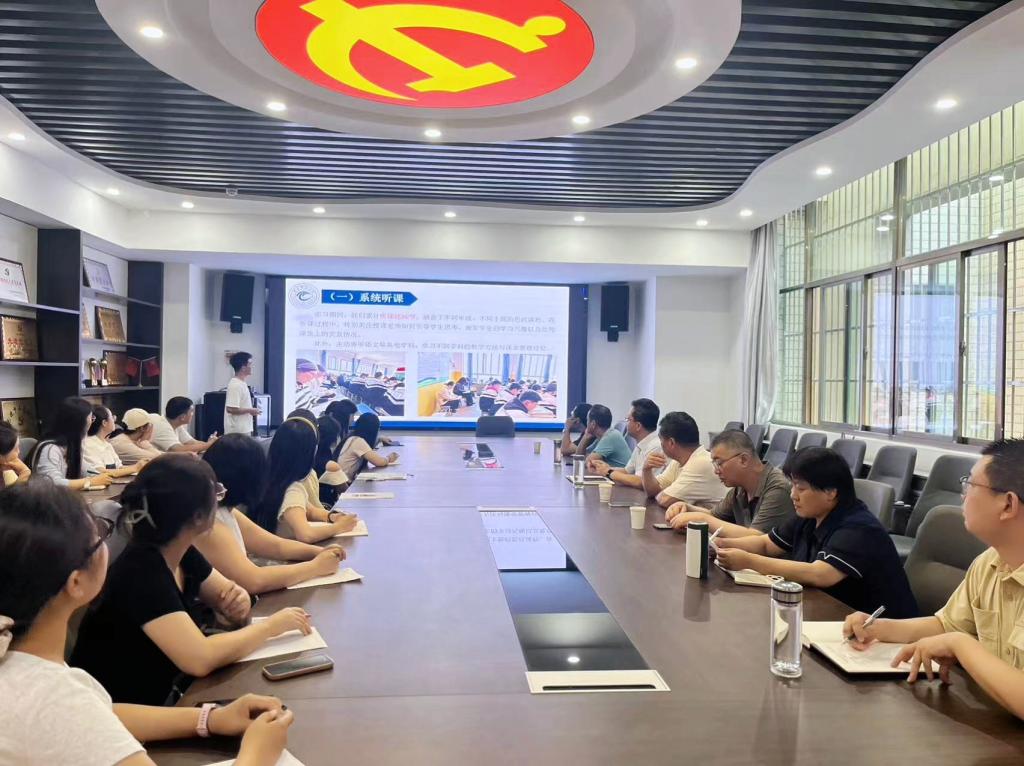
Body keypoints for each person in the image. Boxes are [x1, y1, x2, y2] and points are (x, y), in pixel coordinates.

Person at [0, 481, 294, 765]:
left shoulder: (21, 664)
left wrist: (209, 718)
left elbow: (99, 713)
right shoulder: (52, 694)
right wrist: (256, 755)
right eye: (99, 537)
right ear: (75, 583)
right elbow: (74, 713)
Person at [70, 455, 315, 705]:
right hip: (127, 711)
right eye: (215, 495)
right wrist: (271, 627)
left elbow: (228, 594)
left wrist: (239, 602)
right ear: (198, 517)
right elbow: (200, 658)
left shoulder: (181, 551)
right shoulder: (141, 571)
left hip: (169, 693)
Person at [842, 440, 1024, 716]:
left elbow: (955, 637)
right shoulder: (990, 562)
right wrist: (878, 628)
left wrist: (959, 644)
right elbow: (946, 624)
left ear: (1008, 504)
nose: (963, 496)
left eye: (971, 485)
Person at [715, 447, 917, 618]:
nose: (793, 495)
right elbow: (766, 544)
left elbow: (820, 574)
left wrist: (749, 561)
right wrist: (721, 545)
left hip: (881, 631)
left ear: (831, 492)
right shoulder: (810, 515)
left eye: (801, 489)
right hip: (833, 616)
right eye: (793, 486)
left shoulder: (859, 527)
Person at [198, 434, 347, 593]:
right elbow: (254, 580)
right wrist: (315, 567)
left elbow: (275, 546)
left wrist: (320, 552)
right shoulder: (209, 524)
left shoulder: (223, 510)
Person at [665, 429, 795, 537]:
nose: (716, 471)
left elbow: (756, 537)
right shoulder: (740, 488)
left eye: (719, 463)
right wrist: (687, 507)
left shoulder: (778, 488)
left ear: (743, 460)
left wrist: (703, 519)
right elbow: (714, 515)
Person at [253, 419, 359, 544]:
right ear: (310, 453)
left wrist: (332, 516)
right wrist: (339, 527)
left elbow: (310, 511)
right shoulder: (293, 489)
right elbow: (305, 535)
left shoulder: (270, 478)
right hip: (288, 552)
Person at [640, 411, 724, 509]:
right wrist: (646, 470)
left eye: (661, 439)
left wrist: (664, 492)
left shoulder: (701, 463)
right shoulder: (678, 461)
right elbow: (653, 491)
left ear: (671, 442)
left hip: (718, 518)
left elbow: (664, 499)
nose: (660, 443)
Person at [31, 397, 112, 491]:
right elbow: (52, 483)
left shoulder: (72, 446)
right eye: (91, 418)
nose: (91, 423)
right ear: (79, 423)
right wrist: (90, 481)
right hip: (46, 498)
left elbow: (87, 470)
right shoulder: (50, 448)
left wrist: (100, 476)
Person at [589, 398, 661, 488]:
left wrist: (608, 472)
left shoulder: (655, 447)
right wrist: (604, 468)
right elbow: (627, 471)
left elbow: (640, 481)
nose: (626, 424)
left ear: (638, 426)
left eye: (628, 420)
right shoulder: (641, 444)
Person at [82, 405, 144, 479]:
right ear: (104, 423)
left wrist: (141, 466)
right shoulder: (89, 444)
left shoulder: (106, 444)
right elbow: (100, 472)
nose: (115, 420)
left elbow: (119, 468)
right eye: (112, 417)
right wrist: (135, 468)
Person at [336, 413, 398, 479]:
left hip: (342, 480)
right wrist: (389, 458)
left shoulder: (353, 437)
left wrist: (379, 439)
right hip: (345, 483)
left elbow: (367, 446)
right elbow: (379, 462)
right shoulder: (358, 441)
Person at [572, 405, 631, 469]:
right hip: (613, 474)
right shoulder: (602, 436)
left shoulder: (610, 436)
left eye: (587, 420)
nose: (587, 423)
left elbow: (587, 463)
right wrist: (585, 437)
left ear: (593, 424)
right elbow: (579, 457)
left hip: (621, 475)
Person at [150, 397, 217, 454]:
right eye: (191, 411)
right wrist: (208, 445)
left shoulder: (175, 424)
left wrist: (214, 444)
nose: (193, 414)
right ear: (182, 417)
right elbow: (177, 450)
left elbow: (191, 442)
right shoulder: (163, 426)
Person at [314, 415, 348, 505]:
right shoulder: (329, 464)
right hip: (326, 506)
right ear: (333, 438)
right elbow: (344, 490)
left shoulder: (306, 455)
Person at [224, 352, 261, 436]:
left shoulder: (241, 383)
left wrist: (250, 411)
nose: (252, 367)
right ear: (243, 368)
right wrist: (250, 410)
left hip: (243, 429)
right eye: (250, 364)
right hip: (237, 432)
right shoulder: (235, 385)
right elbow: (231, 409)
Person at [0, 420, 30, 487]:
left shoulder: (7, 470)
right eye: (16, 449)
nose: (19, 452)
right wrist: (25, 473)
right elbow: (14, 494)